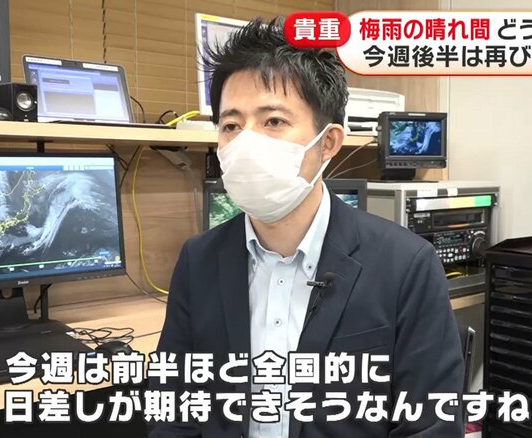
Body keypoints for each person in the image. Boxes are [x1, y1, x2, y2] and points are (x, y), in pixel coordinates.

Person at [149, 17, 464, 438]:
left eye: (273, 121)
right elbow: (173, 406)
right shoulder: (199, 259)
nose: (245, 143)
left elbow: (430, 425)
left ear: (328, 142)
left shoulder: (406, 264)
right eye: (231, 126)